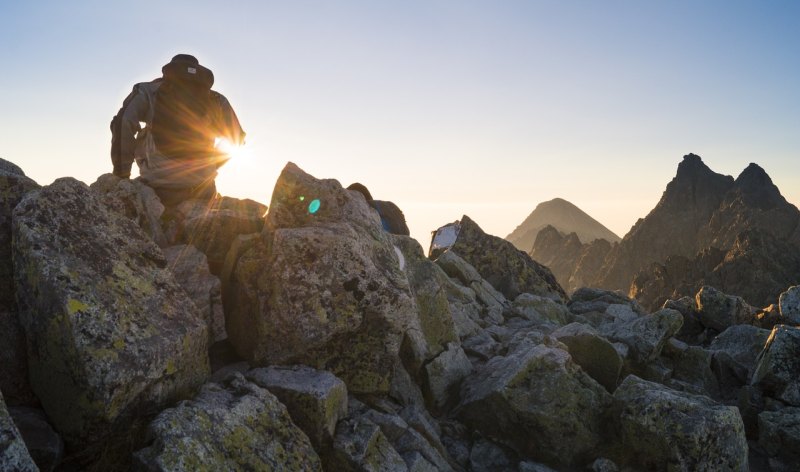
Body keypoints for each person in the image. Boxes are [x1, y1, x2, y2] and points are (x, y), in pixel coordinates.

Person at [110, 54, 245, 205]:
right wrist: (211, 164)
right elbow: (237, 138)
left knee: (145, 131)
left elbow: (123, 122)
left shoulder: (148, 90)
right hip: (203, 184)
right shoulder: (217, 99)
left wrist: (121, 175)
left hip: (158, 181)